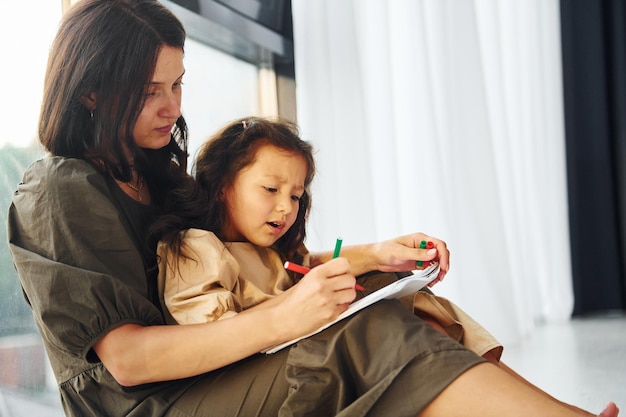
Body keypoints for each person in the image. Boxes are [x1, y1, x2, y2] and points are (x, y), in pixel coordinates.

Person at [5, 1, 619, 416]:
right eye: (149, 92)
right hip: (154, 402)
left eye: (178, 84)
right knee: (368, 334)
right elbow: (129, 360)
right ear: (89, 89)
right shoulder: (59, 192)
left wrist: (377, 255)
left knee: (385, 290)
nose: (172, 107)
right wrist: (286, 319)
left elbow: (250, 260)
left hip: (207, 370)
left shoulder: (154, 172)